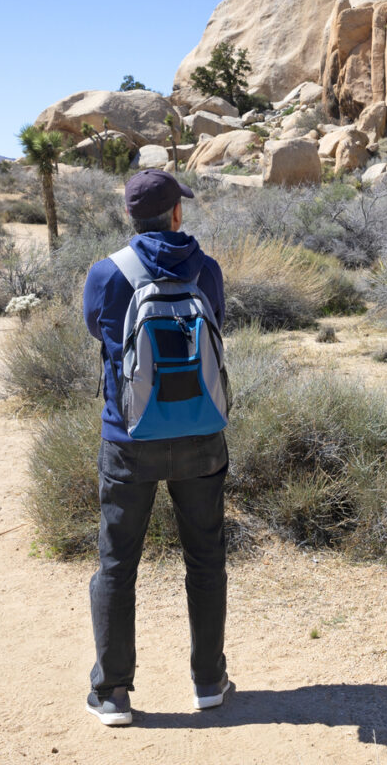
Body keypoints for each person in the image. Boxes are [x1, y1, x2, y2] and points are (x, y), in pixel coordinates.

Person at [80, 168, 232, 727]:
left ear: (130, 215)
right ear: (176, 214)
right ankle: (208, 680)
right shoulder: (207, 270)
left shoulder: (107, 273)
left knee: (117, 565)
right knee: (206, 558)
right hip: (200, 435)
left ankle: (114, 692)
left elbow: (100, 333)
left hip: (128, 437)